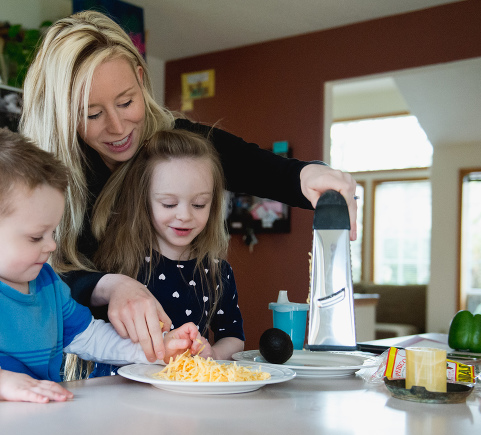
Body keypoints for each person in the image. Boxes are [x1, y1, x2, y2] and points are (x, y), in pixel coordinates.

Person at [20, 10, 358, 367]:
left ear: (140, 80)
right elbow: (33, 276)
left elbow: (256, 165)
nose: (118, 127)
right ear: (62, 114)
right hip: (79, 368)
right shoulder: (48, 179)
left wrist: (305, 175)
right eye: (92, 114)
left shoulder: (169, 142)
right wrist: (109, 285)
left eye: (126, 102)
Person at [0, 128, 204, 403]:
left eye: (53, 232)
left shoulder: (46, 283)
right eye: (36, 236)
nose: (51, 246)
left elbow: (90, 337)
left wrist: (158, 348)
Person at [78, 129, 244, 377]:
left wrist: (215, 355)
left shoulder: (218, 272)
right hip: (118, 396)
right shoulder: (118, 264)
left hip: (185, 397)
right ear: (143, 200)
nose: (185, 215)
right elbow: (88, 331)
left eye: (199, 204)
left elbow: (233, 336)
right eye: (168, 204)